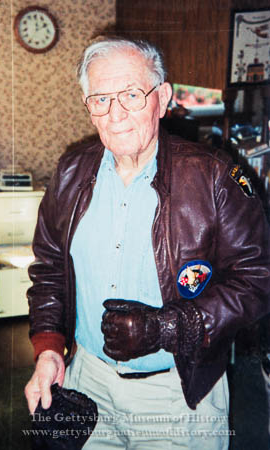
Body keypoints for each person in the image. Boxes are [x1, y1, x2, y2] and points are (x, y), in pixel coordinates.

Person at [25, 36, 270, 449]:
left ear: (163, 97)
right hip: (86, 382)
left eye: (132, 94)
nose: (116, 113)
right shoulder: (70, 173)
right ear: (88, 107)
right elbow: (49, 267)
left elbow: (258, 279)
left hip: (178, 392)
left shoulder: (214, 178)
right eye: (100, 98)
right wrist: (49, 348)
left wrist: (168, 327)